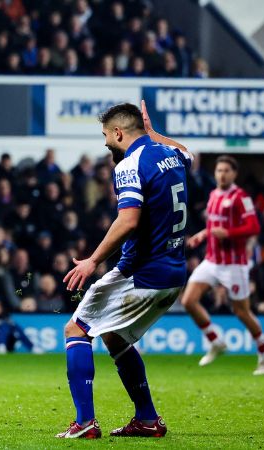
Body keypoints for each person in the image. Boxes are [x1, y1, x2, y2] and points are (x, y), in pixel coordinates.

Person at [57, 101, 192, 439]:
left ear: (118, 133)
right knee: (114, 336)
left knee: (76, 329)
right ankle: (147, 419)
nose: (105, 142)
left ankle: (85, 423)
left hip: (141, 272)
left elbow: (128, 220)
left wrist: (92, 260)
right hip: (174, 273)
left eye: (106, 135)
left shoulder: (129, 164)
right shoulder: (169, 154)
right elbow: (185, 151)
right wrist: (151, 131)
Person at [182, 155, 264, 374]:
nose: (221, 174)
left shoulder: (242, 197)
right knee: (189, 301)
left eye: (226, 171)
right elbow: (214, 225)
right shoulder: (213, 194)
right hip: (212, 261)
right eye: (218, 170)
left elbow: (254, 227)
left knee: (242, 312)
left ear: (234, 174)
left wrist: (229, 233)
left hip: (234, 265)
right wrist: (202, 235)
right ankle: (216, 341)